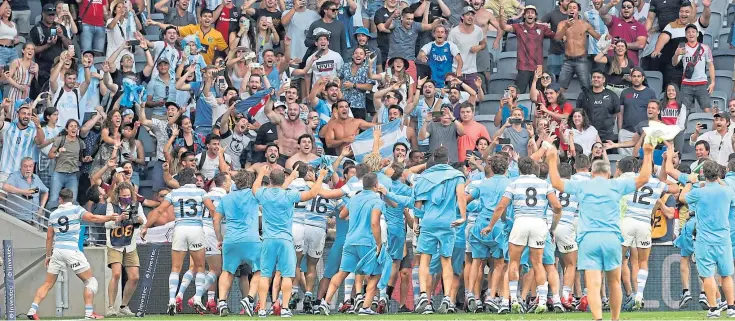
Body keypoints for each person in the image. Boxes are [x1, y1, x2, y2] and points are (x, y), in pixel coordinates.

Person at [546, 139, 654, 321]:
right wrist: (648, 152)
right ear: (609, 172)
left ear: (592, 172)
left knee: (594, 284)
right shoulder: (616, 184)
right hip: (612, 238)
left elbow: (556, 183)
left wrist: (551, 158)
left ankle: (597, 318)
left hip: (588, 239)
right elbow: (643, 178)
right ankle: (615, 318)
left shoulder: (583, 185)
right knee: (613, 282)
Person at [26, 188, 121, 320]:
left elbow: (49, 237)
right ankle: (89, 314)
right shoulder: (77, 209)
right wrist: (110, 217)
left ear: (60, 199)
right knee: (90, 281)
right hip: (71, 250)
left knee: (47, 283)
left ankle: (32, 309)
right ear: (72, 199)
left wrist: (48, 256)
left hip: (57, 251)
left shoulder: (53, 214)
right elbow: (93, 218)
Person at [483, 156, 561, 313]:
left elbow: (501, 206)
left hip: (520, 222)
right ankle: (542, 302)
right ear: (533, 169)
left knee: (513, 262)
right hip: (539, 223)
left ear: (519, 169)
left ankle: (511, 300)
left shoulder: (514, 183)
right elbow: (557, 206)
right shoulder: (544, 184)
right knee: (538, 263)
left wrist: (492, 225)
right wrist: (552, 226)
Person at [253, 165, 327, 317]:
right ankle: (285, 308)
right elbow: (313, 193)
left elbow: (255, 187)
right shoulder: (289, 195)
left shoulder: (264, 193)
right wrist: (320, 177)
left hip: (268, 240)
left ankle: (261, 310)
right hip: (286, 240)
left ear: (270, 180)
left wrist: (261, 174)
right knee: (287, 274)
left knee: (265, 274)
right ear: (283, 180)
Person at [141, 168, 209, 315]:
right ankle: (197, 297)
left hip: (179, 229)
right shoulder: (201, 192)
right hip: (196, 228)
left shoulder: (174, 193)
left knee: (175, 268)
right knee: (200, 266)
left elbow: (159, 211)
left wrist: (146, 226)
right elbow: (213, 211)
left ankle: (171, 300)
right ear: (192, 179)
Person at [678, 159, 735, 318]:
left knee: (708, 275)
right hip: (724, 238)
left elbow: (682, 197)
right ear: (719, 174)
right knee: (726, 274)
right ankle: (731, 307)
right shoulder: (727, 191)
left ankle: (714, 308)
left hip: (704, 240)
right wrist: (719, 182)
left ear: (703, 174)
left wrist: (691, 182)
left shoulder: (699, 192)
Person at [413, 146, 466, 314]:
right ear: (448, 160)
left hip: (428, 222)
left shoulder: (425, 176)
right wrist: (463, 216)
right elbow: (461, 196)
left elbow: (418, 201)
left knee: (425, 260)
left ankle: (423, 296)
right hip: (448, 223)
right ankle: (448, 299)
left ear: (434, 159)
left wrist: (416, 221)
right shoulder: (457, 175)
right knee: (446, 261)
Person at [104, 182, 146, 317]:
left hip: (130, 244)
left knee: (134, 277)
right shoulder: (112, 205)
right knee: (116, 274)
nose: (126, 197)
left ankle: (124, 305)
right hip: (115, 243)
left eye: (128, 195)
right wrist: (118, 219)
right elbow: (107, 223)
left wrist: (133, 218)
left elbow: (143, 220)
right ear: (118, 195)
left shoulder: (136, 205)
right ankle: (111, 307)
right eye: (123, 195)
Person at [651, 0, 712, 88]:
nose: (683, 14)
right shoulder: (671, 25)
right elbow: (663, 37)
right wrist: (657, 50)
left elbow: (706, 17)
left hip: (694, 69)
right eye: (681, 12)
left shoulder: (698, 24)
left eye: (687, 12)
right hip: (674, 69)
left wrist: (706, 7)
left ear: (692, 13)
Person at [498, 5, 555, 93]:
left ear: (535, 16)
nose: (530, 14)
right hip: (523, 67)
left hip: (538, 68)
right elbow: (504, 27)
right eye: (527, 12)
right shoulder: (518, 27)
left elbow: (556, 36)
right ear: (524, 15)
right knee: (519, 95)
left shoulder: (542, 28)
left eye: (532, 13)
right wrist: (501, 16)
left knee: (538, 96)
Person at [554, 1, 601, 93]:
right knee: (560, 88)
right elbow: (557, 38)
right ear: (567, 11)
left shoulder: (584, 24)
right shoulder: (562, 24)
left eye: (574, 7)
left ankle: (588, 107)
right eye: (570, 7)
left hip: (581, 60)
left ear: (578, 11)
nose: (572, 9)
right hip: (567, 60)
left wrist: (607, 39)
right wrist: (566, 27)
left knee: (587, 88)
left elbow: (597, 37)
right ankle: (558, 106)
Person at [672, 23, 715, 113]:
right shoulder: (682, 48)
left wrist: (712, 82)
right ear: (685, 35)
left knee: (707, 109)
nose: (691, 34)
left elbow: (710, 65)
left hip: (702, 83)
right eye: (688, 32)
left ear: (697, 34)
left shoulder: (705, 48)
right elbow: (674, 63)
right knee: (683, 111)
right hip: (686, 84)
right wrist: (676, 54)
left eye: (693, 32)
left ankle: (711, 126)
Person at [31, 4, 72, 97]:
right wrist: (48, 45)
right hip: (43, 69)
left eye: (53, 14)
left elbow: (70, 45)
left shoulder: (60, 27)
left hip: (59, 67)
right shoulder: (36, 29)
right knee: (43, 96)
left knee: (59, 95)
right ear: (43, 14)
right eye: (49, 14)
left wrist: (62, 36)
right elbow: (32, 50)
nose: (51, 16)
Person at [0, 100, 45, 184]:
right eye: (23, 113)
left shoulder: (33, 131)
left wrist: (38, 126)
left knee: (18, 197)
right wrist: (2, 106)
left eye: (28, 114)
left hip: (22, 175)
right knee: (2, 196)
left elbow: (40, 141)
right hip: (5, 172)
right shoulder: (8, 126)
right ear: (18, 115)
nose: (26, 116)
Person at [616, 67, 657, 155]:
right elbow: (620, 113)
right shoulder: (625, 92)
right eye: (634, 76)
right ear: (630, 78)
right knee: (624, 161)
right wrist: (620, 130)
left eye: (638, 76)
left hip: (643, 132)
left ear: (643, 78)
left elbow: (654, 113)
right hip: (626, 132)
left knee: (643, 160)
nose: (636, 78)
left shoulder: (650, 93)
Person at [2, 157, 49, 225]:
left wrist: (41, 208)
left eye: (30, 166)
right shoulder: (15, 176)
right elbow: (5, 187)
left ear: (33, 167)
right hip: (18, 219)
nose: (28, 169)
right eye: (25, 166)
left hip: (34, 220)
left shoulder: (36, 178)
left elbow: (45, 192)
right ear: (21, 167)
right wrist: (23, 191)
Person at [599, 0, 647, 65]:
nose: (626, 8)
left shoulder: (639, 26)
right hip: (612, 62)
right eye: (623, 7)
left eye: (629, 7)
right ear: (621, 9)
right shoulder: (614, 20)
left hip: (630, 63)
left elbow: (641, 45)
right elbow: (602, 13)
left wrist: (621, 44)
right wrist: (611, 4)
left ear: (634, 9)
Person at [577, 70, 620, 143]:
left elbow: (616, 113)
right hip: (588, 133)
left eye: (598, 77)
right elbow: (579, 112)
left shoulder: (612, 95)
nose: (596, 79)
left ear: (603, 80)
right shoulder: (584, 95)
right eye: (594, 77)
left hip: (606, 135)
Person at [448, 6, 486, 82]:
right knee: (455, 93)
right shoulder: (454, 32)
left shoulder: (478, 31)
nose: (470, 17)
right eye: (468, 15)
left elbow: (484, 43)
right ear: (462, 17)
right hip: (456, 70)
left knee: (473, 93)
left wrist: (479, 47)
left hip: (472, 71)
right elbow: (448, 51)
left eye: (472, 15)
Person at [417, 25, 462, 89]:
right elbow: (420, 54)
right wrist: (423, 56)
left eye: (442, 32)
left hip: (447, 81)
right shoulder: (430, 45)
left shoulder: (450, 45)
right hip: (433, 81)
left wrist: (459, 69)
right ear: (434, 34)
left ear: (445, 34)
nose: (440, 33)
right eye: (437, 32)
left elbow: (459, 60)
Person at [540, 0, 572, 78]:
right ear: (561, 2)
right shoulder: (553, 14)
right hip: (555, 52)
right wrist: (546, 27)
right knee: (552, 78)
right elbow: (539, 24)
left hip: (569, 53)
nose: (569, 2)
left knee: (566, 80)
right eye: (567, 1)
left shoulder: (573, 15)